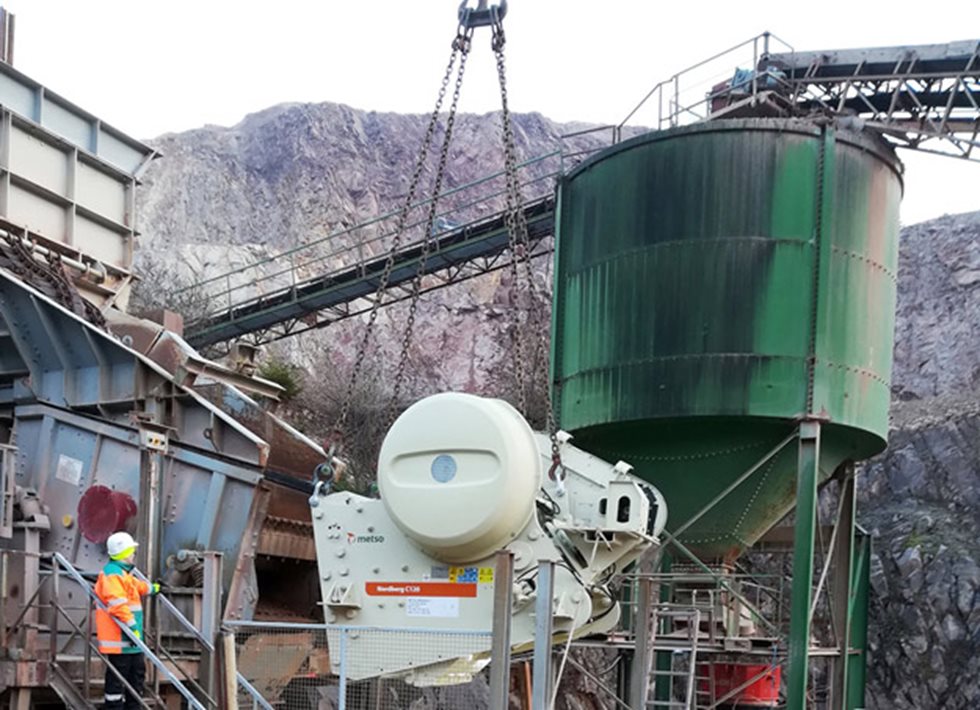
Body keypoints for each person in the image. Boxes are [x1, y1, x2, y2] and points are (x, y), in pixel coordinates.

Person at [94, 531, 160, 710]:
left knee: (136, 674)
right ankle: (114, 708)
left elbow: (135, 587)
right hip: (120, 638)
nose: (133, 554)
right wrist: (131, 626)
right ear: (123, 553)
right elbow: (117, 604)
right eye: (131, 551)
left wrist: (152, 588)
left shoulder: (124, 574)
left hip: (131, 639)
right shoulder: (112, 574)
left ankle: (134, 706)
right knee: (118, 677)